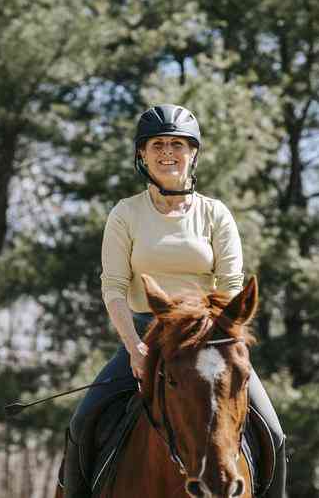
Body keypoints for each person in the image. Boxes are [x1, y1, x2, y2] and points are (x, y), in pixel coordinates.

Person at [61, 104, 286, 497]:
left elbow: (231, 284)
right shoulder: (125, 214)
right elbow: (114, 286)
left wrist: (217, 332)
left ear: (192, 153)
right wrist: (133, 347)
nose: (168, 152)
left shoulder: (216, 214)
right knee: (83, 422)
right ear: (142, 156)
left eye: (177, 145)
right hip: (148, 333)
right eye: (158, 144)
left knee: (274, 432)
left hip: (209, 336)